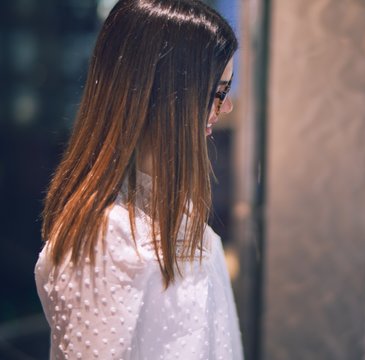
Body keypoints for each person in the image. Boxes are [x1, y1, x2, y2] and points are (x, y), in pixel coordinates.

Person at [34, 0, 242, 359]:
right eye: (217, 92)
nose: (226, 107)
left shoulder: (177, 218)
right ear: (169, 96)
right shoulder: (106, 244)